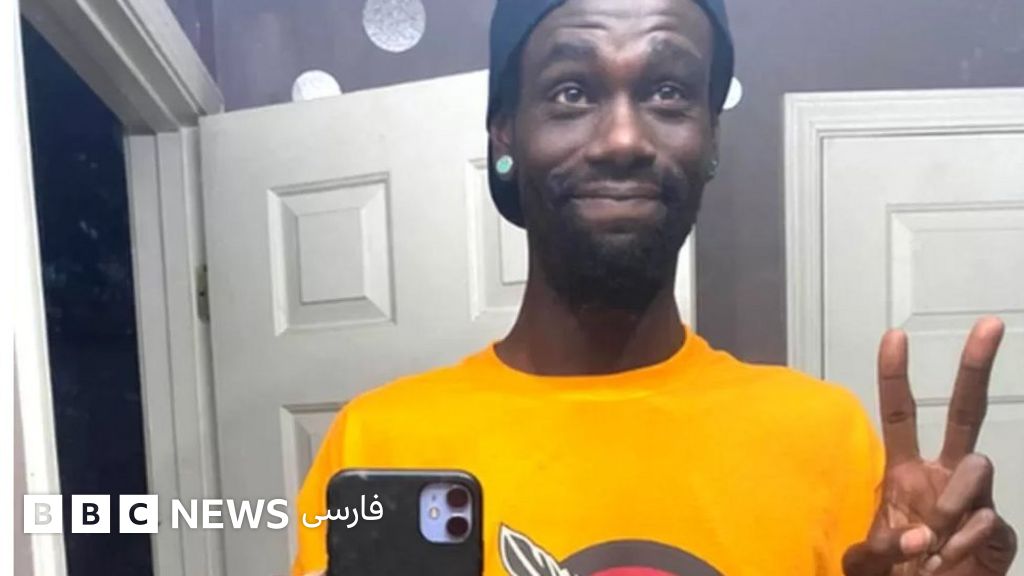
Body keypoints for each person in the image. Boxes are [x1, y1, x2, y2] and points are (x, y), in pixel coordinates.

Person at [293, 0, 1018, 574]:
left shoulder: (827, 437)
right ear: (505, 133)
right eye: (571, 91)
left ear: (711, 138)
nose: (622, 139)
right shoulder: (379, 441)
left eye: (668, 92)